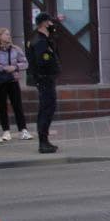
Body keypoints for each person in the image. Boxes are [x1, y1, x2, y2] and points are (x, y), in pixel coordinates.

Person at [0, 28, 30, 141]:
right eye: (6, 34)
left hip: (13, 81)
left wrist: (15, 67)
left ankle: (23, 130)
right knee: (2, 107)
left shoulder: (16, 49)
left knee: (17, 106)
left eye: (9, 34)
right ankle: (6, 131)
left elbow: (25, 63)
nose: (9, 36)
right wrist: (3, 68)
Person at [29, 13, 61, 154]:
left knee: (48, 109)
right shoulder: (40, 41)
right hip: (44, 79)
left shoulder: (43, 39)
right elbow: (42, 61)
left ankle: (45, 141)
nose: (52, 24)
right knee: (46, 110)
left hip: (46, 79)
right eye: (50, 22)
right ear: (44, 23)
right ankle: (43, 143)